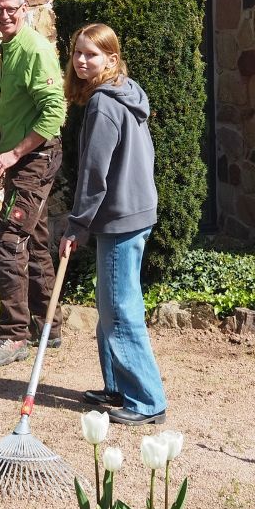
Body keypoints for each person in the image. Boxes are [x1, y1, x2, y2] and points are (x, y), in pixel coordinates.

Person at [60, 23, 166, 425]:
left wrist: (76, 226)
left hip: (121, 217)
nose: (83, 60)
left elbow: (93, 174)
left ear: (111, 59)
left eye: (92, 54)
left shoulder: (105, 104)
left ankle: (146, 400)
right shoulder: (128, 93)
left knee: (120, 309)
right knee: (111, 305)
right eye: (78, 53)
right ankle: (118, 386)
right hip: (134, 211)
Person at [0, 0, 67, 366]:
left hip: (36, 159)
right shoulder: (10, 48)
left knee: (8, 240)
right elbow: (22, 99)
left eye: (11, 8)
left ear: (25, 7)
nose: (4, 15)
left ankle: (14, 336)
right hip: (22, 157)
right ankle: (49, 325)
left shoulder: (34, 49)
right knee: (33, 237)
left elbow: (54, 113)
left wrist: (13, 154)